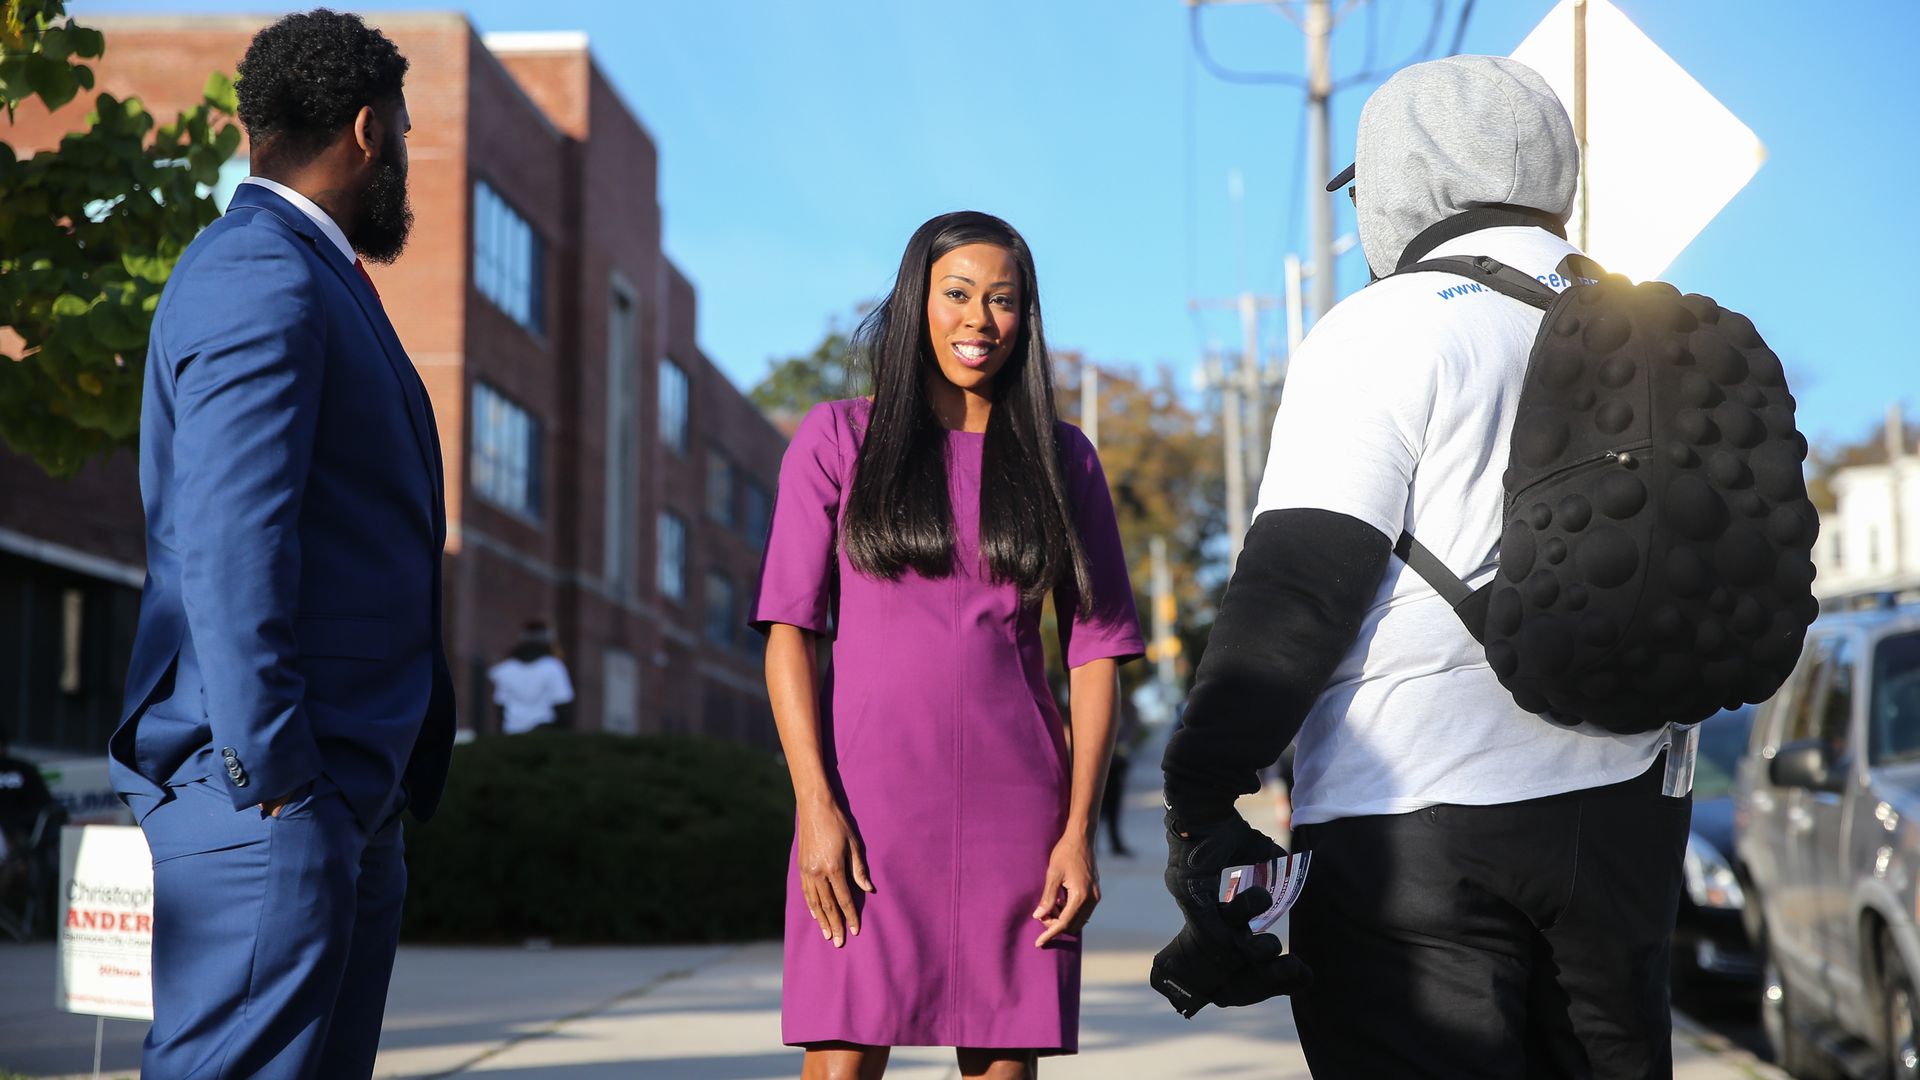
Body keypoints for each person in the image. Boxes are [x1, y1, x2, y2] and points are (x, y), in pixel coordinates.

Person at [1155, 56, 1688, 1078]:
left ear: (1404, 181)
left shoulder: (1384, 327)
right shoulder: (1649, 334)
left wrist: (1202, 791)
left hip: (1413, 827)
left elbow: (1300, 584)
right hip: (1627, 810)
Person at [108, 11, 454, 1078]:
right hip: (272, 799)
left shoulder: (306, 273)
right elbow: (229, 540)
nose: (402, 152)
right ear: (366, 130)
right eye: (402, 128)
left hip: (337, 792)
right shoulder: (264, 272)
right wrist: (280, 779)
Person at [752, 210, 1144, 1080]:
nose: (979, 320)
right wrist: (815, 807)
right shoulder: (837, 439)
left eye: (1002, 301)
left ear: (1026, 318)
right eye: (957, 294)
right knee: (842, 1062)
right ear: (915, 302)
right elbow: (790, 631)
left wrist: (1077, 832)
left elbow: (1097, 653)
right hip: (866, 806)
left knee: (1004, 1067)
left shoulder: (1063, 459)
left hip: (1019, 814)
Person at [488, 620, 575, 734]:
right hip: (544, 735)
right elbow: (563, 708)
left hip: (511, 734)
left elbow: (500, 710)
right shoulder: (554, 667)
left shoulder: (505, 669)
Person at [1099, 692, 1143, 857]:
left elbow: (1130, 733)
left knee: (1113, 806)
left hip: (1116, 765)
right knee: (1098, 807)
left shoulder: (1125, 706)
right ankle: (1093, 844)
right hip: (1101, 763)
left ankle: (1115, 843)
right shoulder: (1100, 703)